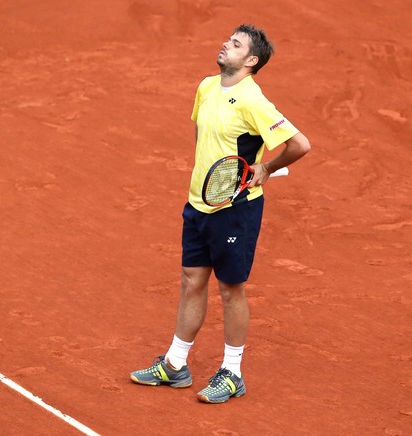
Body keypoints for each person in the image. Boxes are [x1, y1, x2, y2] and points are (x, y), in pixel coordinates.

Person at [130, 24, 310, 404]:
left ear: (250, 61)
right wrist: (206, 182)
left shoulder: (253, 100)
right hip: (199, 203)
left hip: (236, 209)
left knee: (231, 289)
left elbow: (300, 144)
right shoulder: (207, 86)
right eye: (229, 40)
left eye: (236, 44)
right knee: (191, 279)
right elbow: (203, 138)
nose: (225, 45)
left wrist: (267, 168)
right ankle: (175, 365)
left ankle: (232, 373)